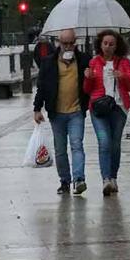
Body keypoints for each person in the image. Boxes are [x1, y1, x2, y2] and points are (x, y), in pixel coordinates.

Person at [33, 29, 91, 195]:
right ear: (59, 43)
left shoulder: (84, 60)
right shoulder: (49, 62)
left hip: (76, 111)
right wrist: (37, 109)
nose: (68, 46)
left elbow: (92, 83)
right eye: (65, 43)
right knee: (60, 149)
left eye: (71, 43)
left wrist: (90, 76)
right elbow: (41, 87)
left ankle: (79, 178)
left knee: (76, 144)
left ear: (76, 42)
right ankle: (64, 181)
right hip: (56, 113)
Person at [84, 30, 130, 196]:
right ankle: (105, 178)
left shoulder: (123, 63)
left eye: (111, 44)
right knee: (104, 142)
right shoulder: (94, 62)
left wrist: (122, 76)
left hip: (119, 108)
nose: (107, 47)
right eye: (105, 43)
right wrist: (88, 78)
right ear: (100, 44)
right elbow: (86, 89)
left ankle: (113, 176)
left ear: (116, 46)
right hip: (98, 108)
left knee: (115, 144)